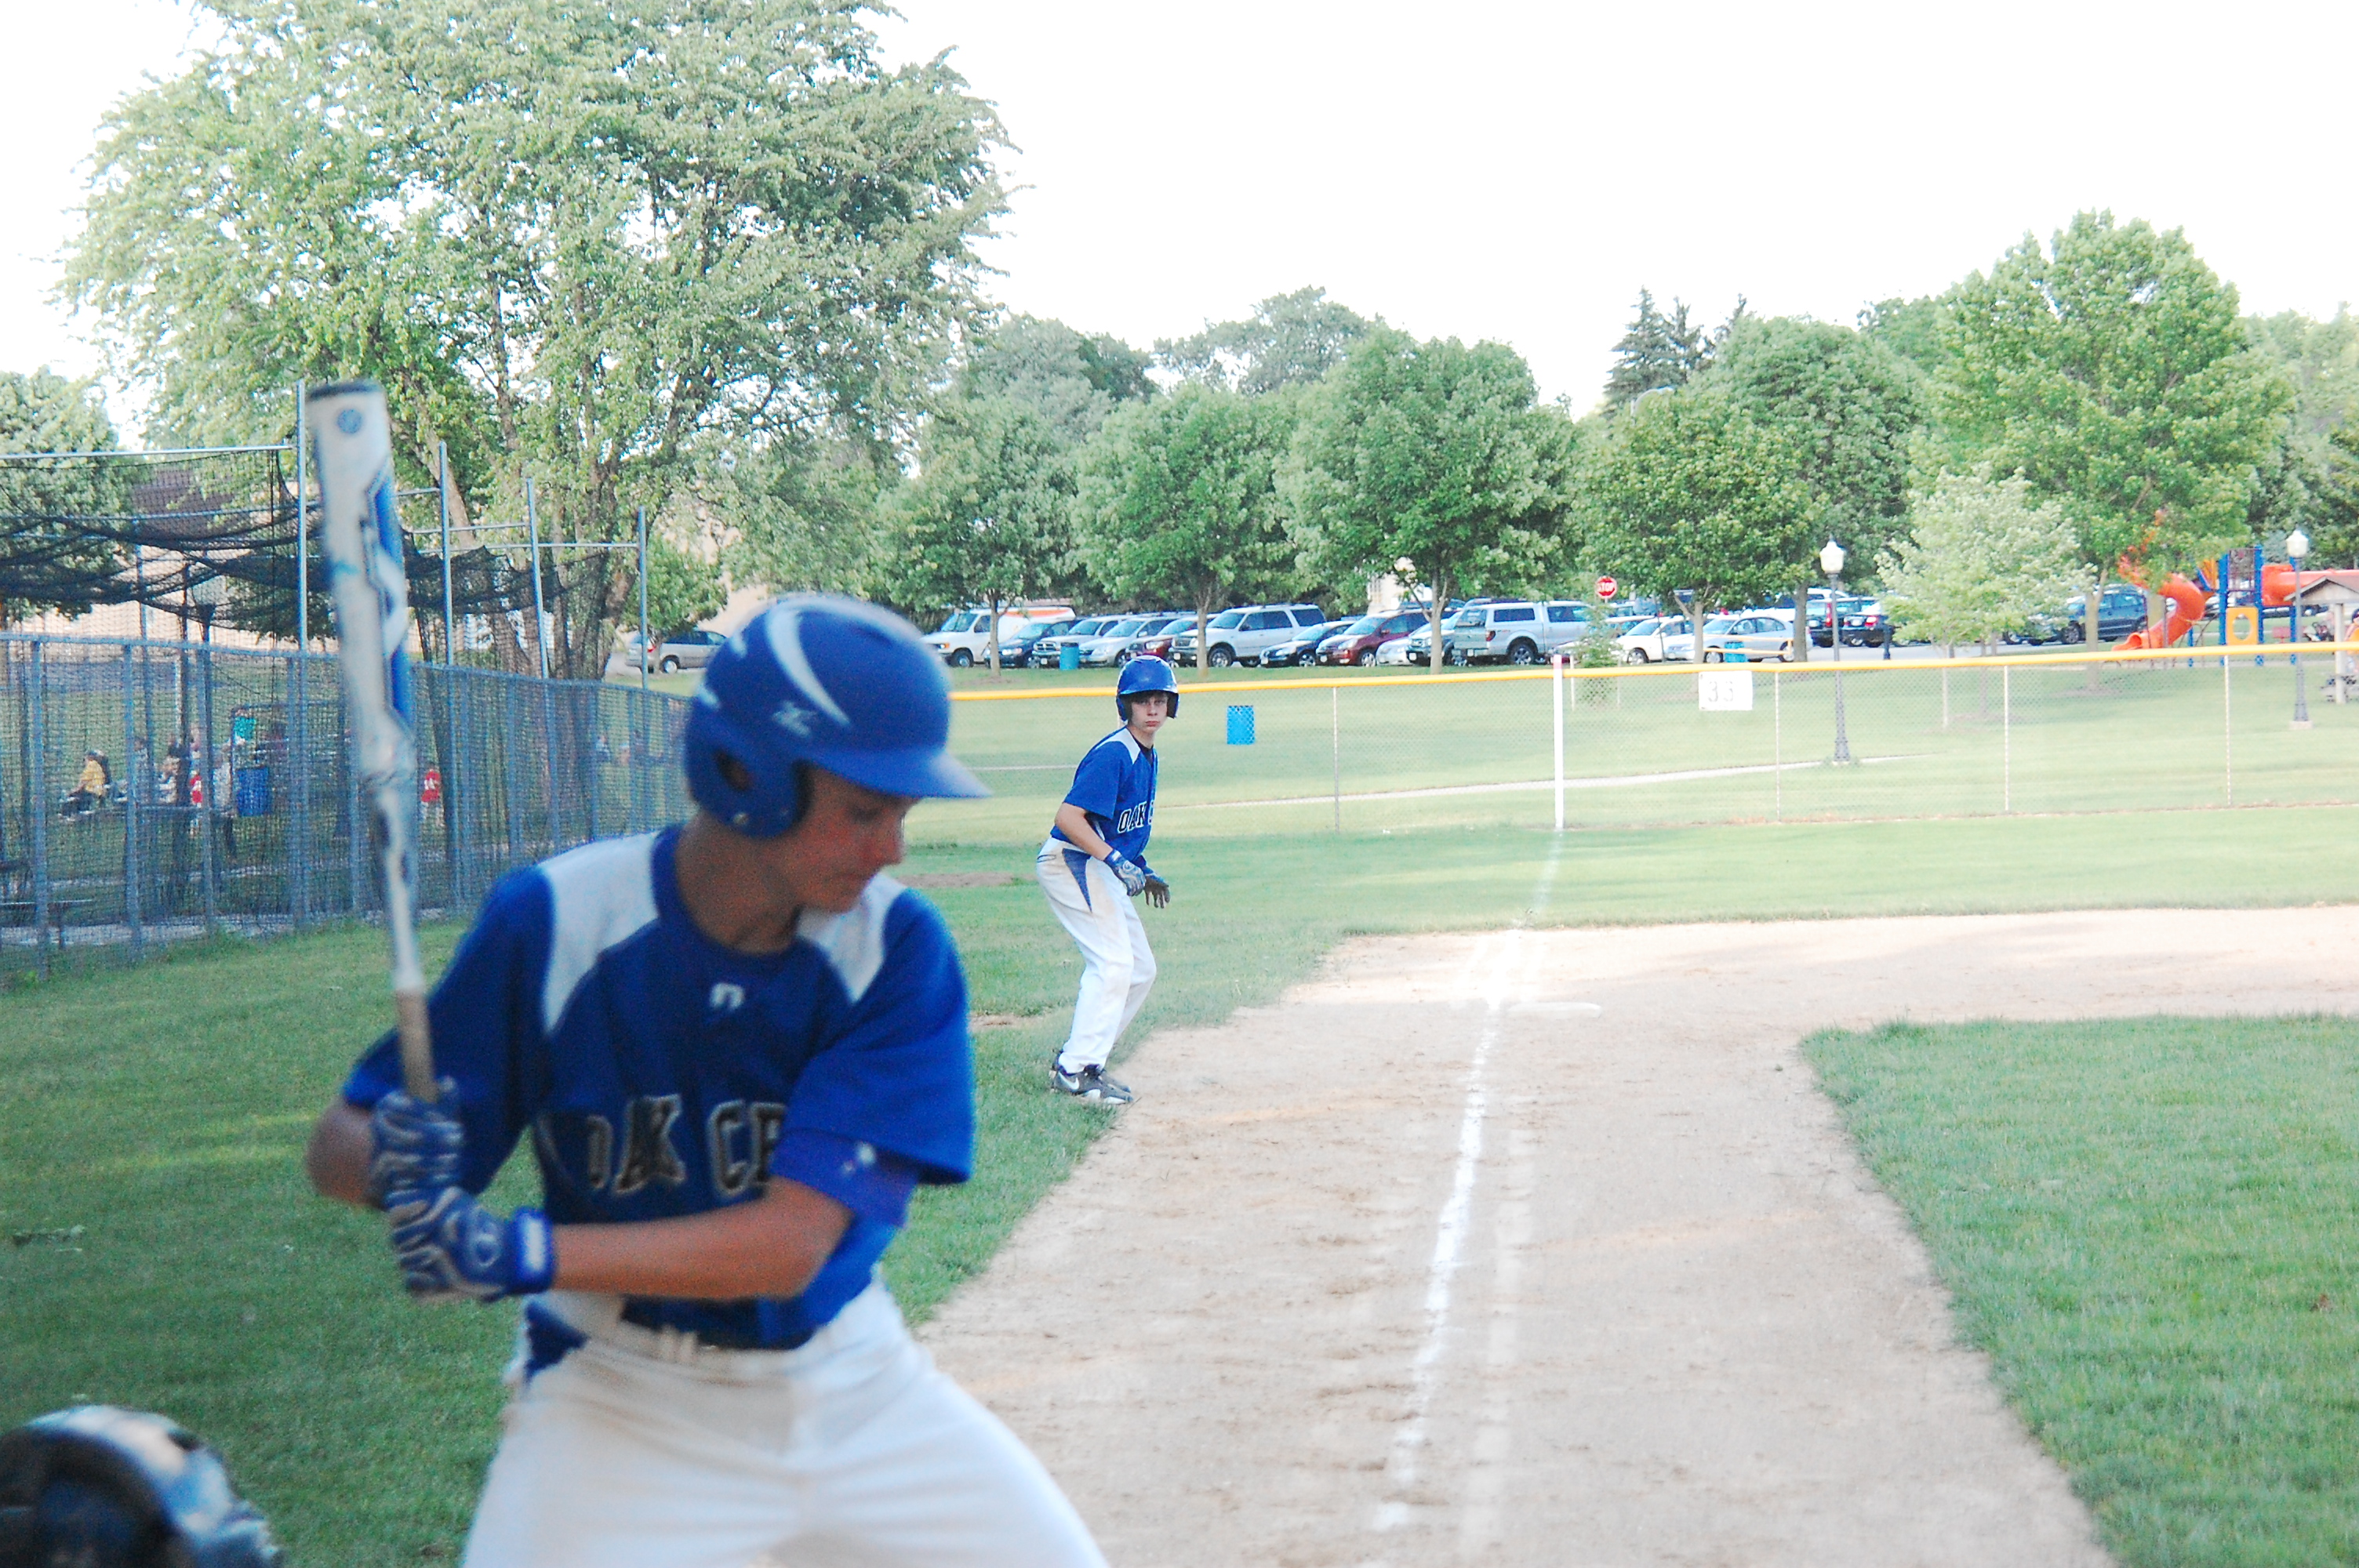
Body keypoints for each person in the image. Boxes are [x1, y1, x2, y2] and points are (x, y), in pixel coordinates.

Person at [302, 596, 1105, 1568]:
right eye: (864, 810)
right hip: (617, 1396)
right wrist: (389, 1156)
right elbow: (336, 1148)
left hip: (851, 1387)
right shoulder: (556, 920)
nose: (892, 846)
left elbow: (786, 1247)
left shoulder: (892, 948)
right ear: (744, 774)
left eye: (902, 812)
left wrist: (511, 1249)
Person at [1034, 656, 1176, 1105]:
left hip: (1098, 865)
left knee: (1141, 970)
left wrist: (1141, 867)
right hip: (1071, 861)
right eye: (1142, 701)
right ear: (1125, 706)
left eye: (1160, 701)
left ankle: (1085, 1060)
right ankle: (1074, 1071)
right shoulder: (1116, 753)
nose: (1151, 709)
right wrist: (1115, 859)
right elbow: (1068, 818)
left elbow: (1117, 827)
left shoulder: (1147, 755)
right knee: (1113, 963)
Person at [63, 750, 108, 818]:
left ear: (88, 758)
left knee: (71, 797)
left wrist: (72, 791)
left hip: (91, 792)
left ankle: (68, 815)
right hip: (99, 793)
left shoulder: (90, 766)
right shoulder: (98, 766)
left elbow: (84, 783)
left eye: (85, 759)